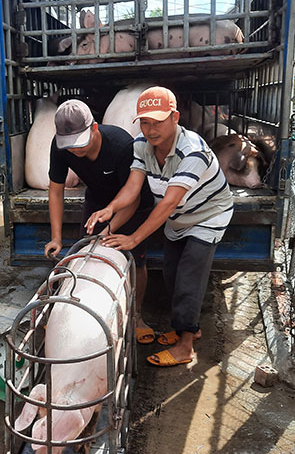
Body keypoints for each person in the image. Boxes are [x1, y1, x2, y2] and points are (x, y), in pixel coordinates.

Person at [85, 86, 233, 367]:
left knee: (189, 277)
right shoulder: (142, 144)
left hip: (207, 216)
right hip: (178, 217)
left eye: (157, 121)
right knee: (172, 274)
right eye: (144, 121)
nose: (150, 129)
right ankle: (188, 327)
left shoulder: (193, 151)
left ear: (175, 117)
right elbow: (133, 187)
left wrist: (134, 238)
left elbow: (166, 203)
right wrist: (110, 208)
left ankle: (186, 346)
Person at [45, 99, 157, 343]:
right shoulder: (60, 147)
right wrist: (56, 237)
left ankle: (137, 314)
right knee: (90, 252)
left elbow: (133, 197)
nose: (74, 150)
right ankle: (85, 313)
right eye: (68, 145)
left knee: (135, 259)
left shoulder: (121, 145)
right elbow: (55, 190)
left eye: (79, 142)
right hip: (97, 199)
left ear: (94, 128)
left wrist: (109, 228)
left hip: (133, 201)